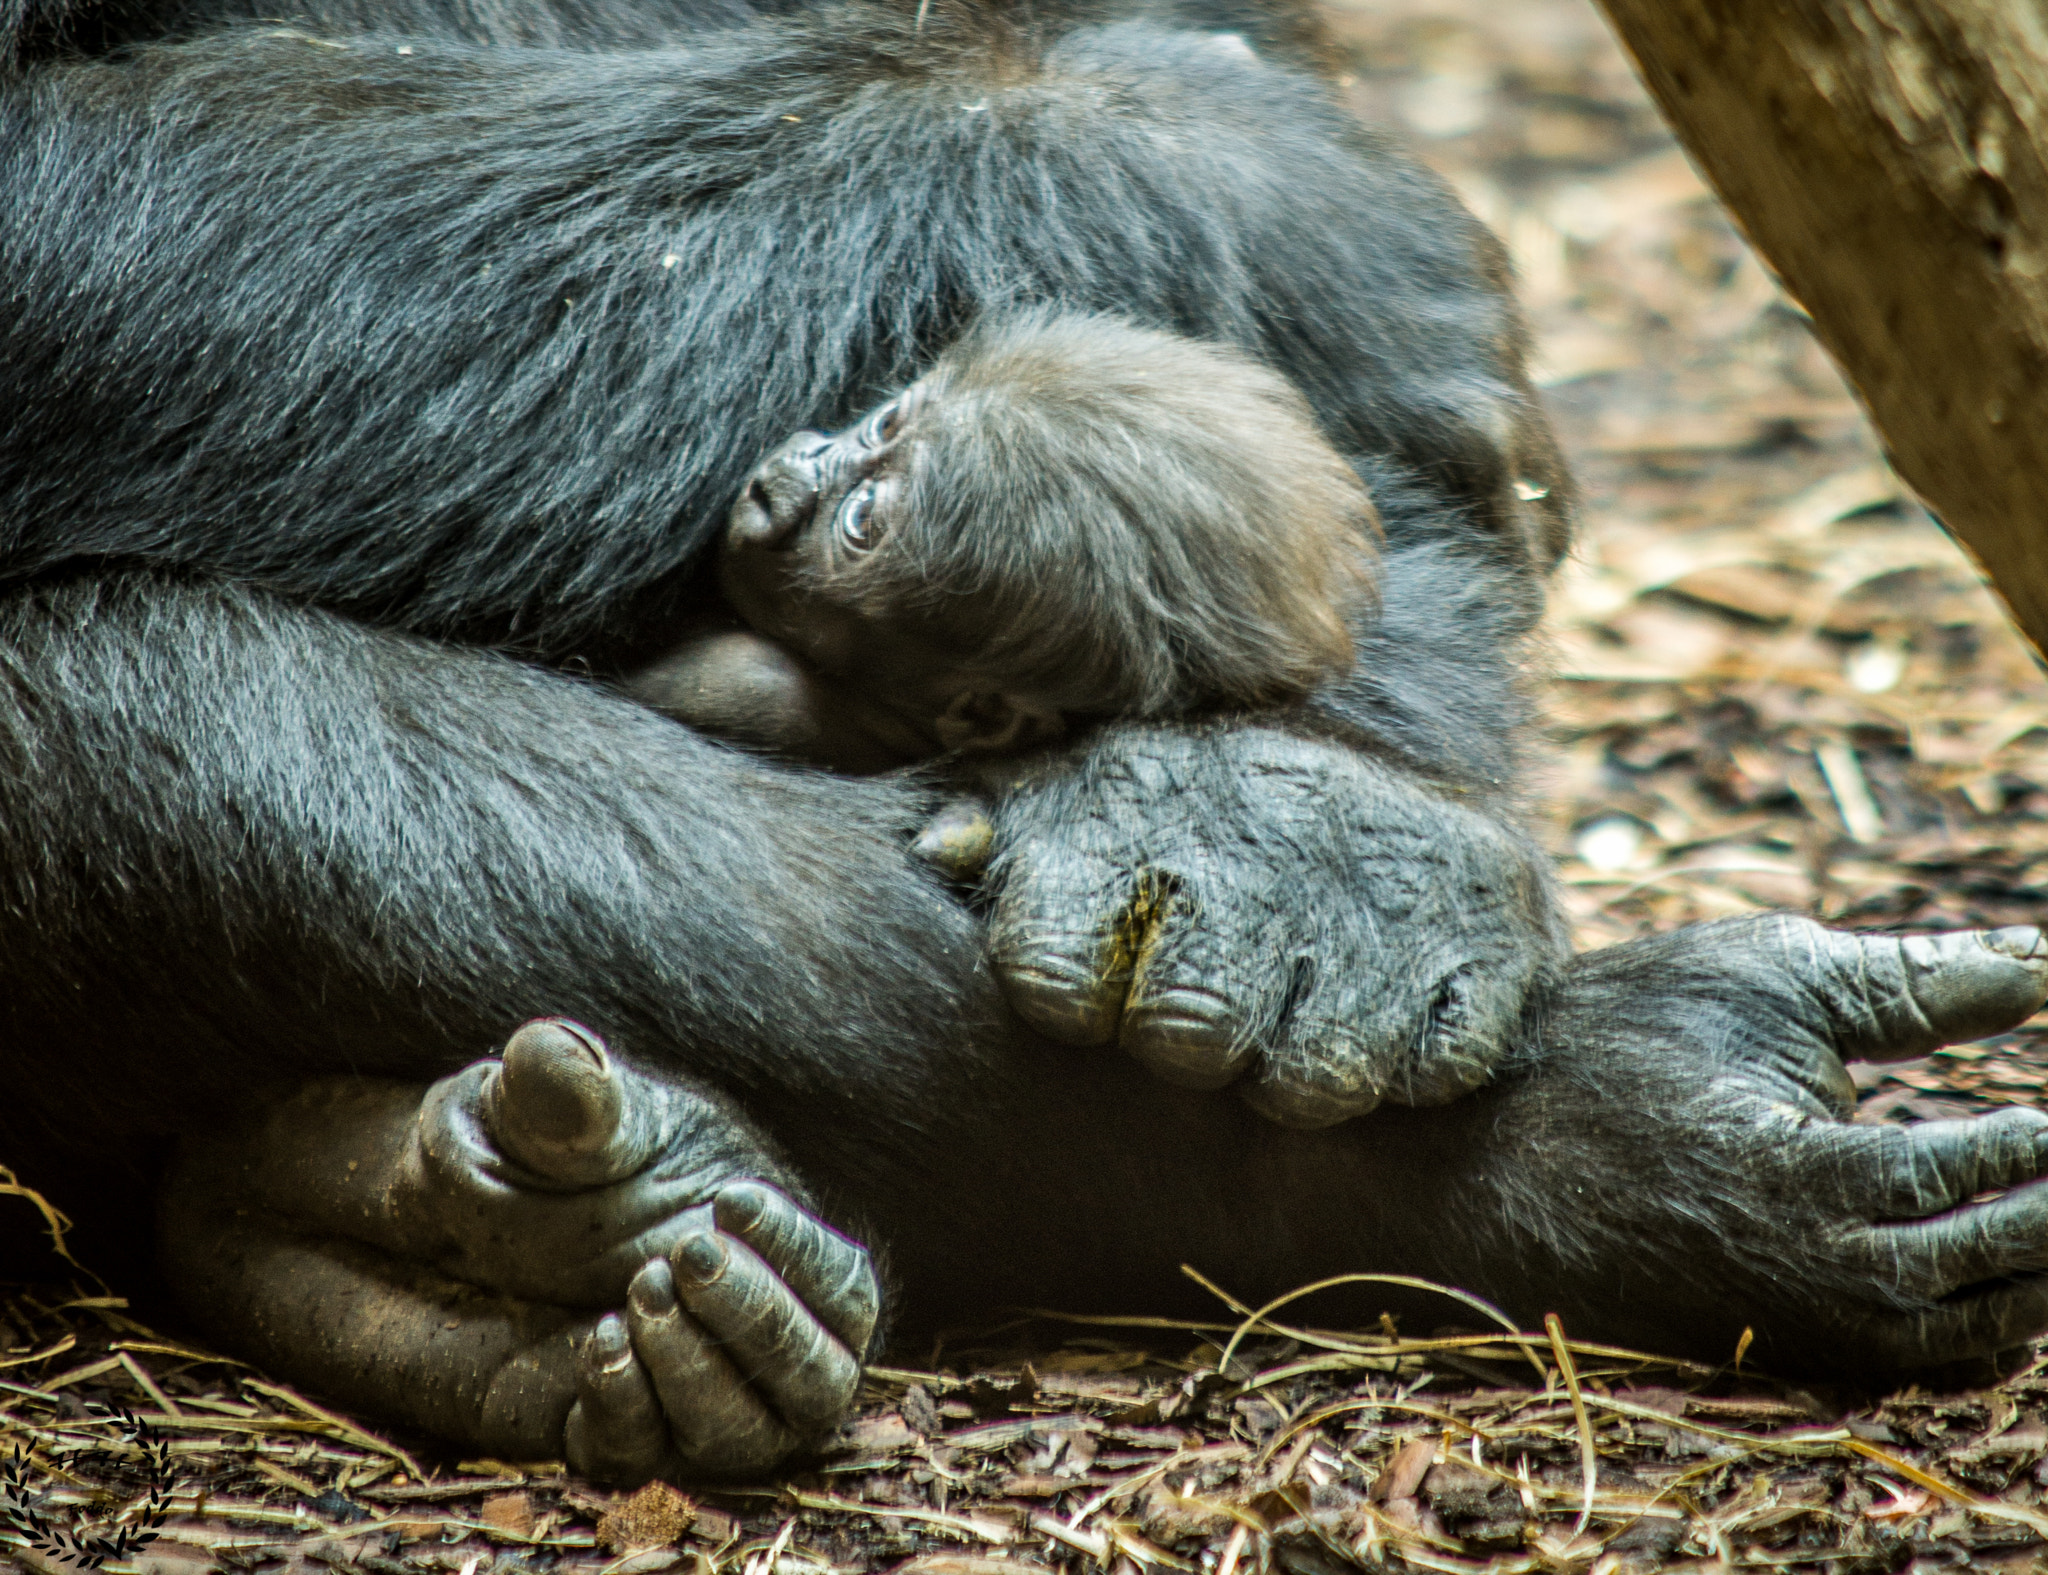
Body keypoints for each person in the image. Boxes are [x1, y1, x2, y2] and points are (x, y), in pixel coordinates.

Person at [624, 311, 1378, 772]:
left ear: (980, 713)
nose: (793, 469)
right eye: (884, 423)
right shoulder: (948, 704)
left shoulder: (754, 693)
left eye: (859, 520)